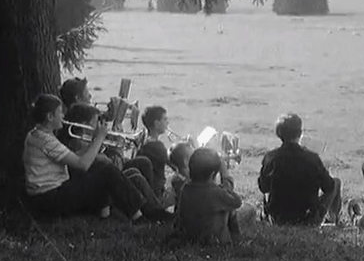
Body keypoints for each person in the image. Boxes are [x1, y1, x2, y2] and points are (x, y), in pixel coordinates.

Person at [23, 94, 147, 222]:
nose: (63, 116)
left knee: (101, 167)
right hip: (49, 199)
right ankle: (138, 217)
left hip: (46, 196)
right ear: (50, 117)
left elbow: (76, 157)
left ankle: (106, 216)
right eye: (60, 112)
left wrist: (95, 141)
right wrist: (99, 138)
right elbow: (83, 164)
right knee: (107, 171)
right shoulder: (45, 140)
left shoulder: (37, 135)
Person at [258, 113, 342, 226]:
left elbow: (263, 188)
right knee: (336, 182)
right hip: (307, 218)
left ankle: (265, 216)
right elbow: (329, 186)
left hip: (278, 218)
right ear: (300, 133)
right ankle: (332, 220)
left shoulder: (270, 157)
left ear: (279, 133)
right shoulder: (312, 158)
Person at [176, 148, 255, 244]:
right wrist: (225, 174)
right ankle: (240, 240)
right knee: (249, 209)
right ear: (213, 174)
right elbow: (237, 202)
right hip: (213, 241)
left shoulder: (186, 188)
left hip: (190, 237)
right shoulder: (216, 193)